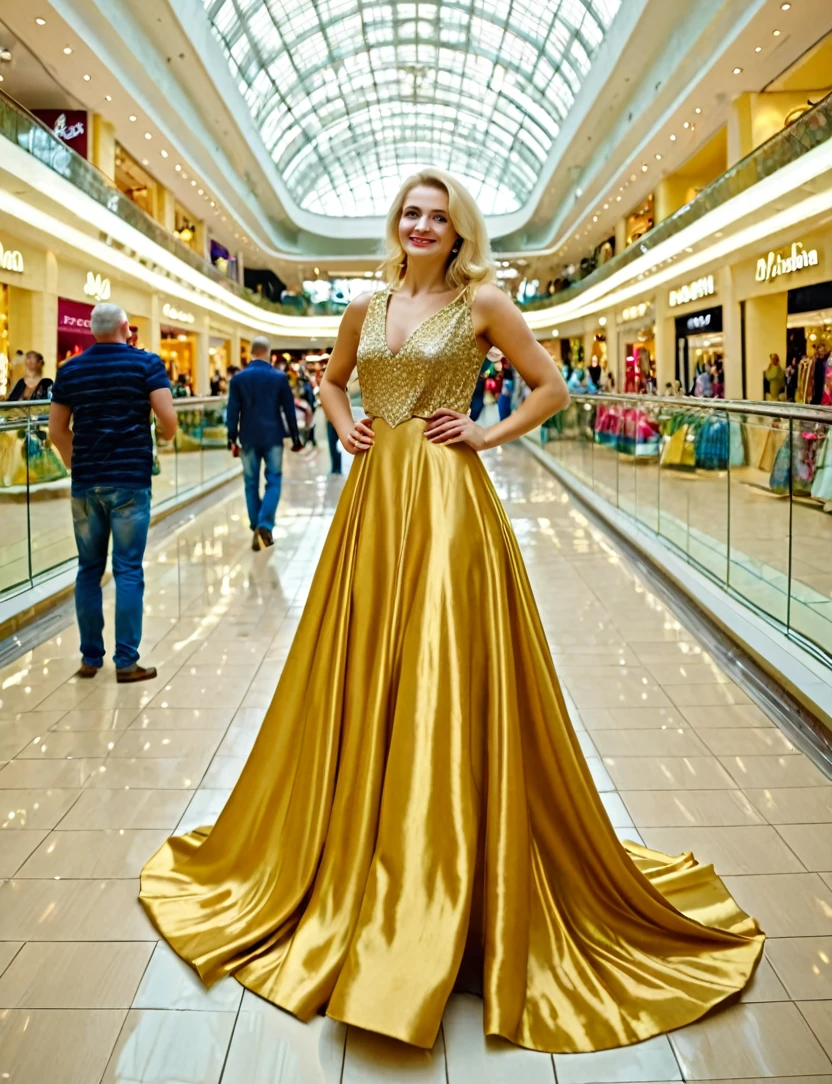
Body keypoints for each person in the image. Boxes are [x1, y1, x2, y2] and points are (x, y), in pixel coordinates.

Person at [140, 170, 762, 1054]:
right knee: (365, 661)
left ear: (458, 229)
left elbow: (551, 388)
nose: (423, 224)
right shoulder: (364, 303)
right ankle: (366, 843)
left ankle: (441, 872)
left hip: (447, 503)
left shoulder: (486, 302)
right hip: (374, 505)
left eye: (438, 215)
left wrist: (485, 432)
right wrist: (343, 416)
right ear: (396, 225)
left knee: (441, 667)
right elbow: (333, 382)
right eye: (411, 213)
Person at [48, 303, 177, 682]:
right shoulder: (146, 364)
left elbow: (57, 430)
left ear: (92, 331)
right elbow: (168, 421)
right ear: (125, 327)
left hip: (86, 484)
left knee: (88, 569)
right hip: (130, 483)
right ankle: (125, 662)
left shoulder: (70, 370)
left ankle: (90, 659)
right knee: (127, 570)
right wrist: (162, 439)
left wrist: (79, 465)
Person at [225, 336, 302, 551]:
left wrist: (231, 437)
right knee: (274, 479)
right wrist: (296, 437)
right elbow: (289, 410)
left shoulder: (238, 380)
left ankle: (256, 526)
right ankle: (265, 524)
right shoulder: (278, 378)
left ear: (251, 353)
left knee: (250, 483)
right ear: (268, 353)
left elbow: (232, 412)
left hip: (248, 437)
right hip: (273, 437)